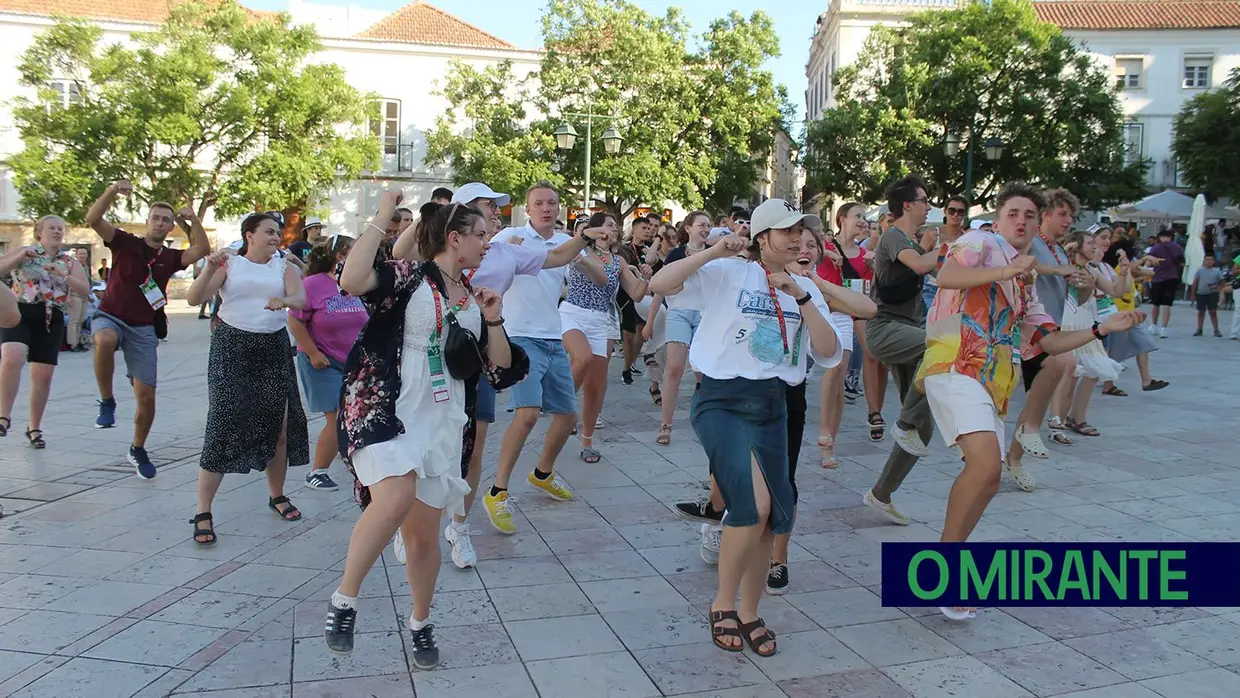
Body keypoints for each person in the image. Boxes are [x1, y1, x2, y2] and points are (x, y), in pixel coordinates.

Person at [917, 182, 1144, 621]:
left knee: (988, 476)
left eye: (1029, 216)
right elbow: (945, 276)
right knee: (985, 465)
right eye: (1014, 213)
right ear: (1000, 217)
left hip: (992, 382)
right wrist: (1005, 272)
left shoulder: (1026, 280)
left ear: (1038, 225)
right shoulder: (979, 241)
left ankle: (946, 562)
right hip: (953, 363)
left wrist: (1102, 329)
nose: (1022, 221)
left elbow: (1050, 340)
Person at [323, 193, 522, 669]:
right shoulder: (409, 277)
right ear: (455, 239)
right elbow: (351, 280)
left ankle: (420, 621)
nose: (486, 243)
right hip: (386, 408)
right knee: (393, 496)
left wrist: (492, 318)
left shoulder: (476, 297)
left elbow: (501, 368)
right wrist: (381, 218)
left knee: (423, 538)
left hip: (443, 421)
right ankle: (344, 603)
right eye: (480, 235)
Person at [649, 198, 842, 657]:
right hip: (722, 401)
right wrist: (714, 251)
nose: (797, 239)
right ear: (761, 238)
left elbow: (829, 349)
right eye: (785, 231)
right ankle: (721, 603)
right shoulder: (728, 272)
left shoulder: (803, 285)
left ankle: (751, 611)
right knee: (752, 506)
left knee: (772, 516)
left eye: (802, 232)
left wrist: (801, 294)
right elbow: (660, 283)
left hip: (774, 405)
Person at [391, 182, 603, 567]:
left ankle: (459, 526)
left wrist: (583, 237)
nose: (495, 211)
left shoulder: (504, 252)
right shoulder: (440, 247)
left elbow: (556, 256)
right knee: (422, 444)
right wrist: (433, 212)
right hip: (429, 359)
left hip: (473, 358)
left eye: (497, 206)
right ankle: (410, 523)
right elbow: (399, 252)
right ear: (462, 214)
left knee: (472, 446)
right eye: (488, 205)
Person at [185, 213, 310, 545]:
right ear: (249, 235)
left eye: (278, 232)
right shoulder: (230, 264)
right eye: (269, 232)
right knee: (223, 423)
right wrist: (210, 267)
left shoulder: (284, 266)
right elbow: (194, 298)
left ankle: (277, 494)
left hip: (273, 346)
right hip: (232, 346)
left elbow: (301, 298)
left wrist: (283, 300)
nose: (275, 237)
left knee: (279, 425)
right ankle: (203, 510)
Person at [481, 182, 599, 535]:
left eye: (552, 203)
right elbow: (484, 259)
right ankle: (498, 490)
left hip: (552, 334)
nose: (547, 208)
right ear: (527, 209)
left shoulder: (564, 243)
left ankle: (542, 473)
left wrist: (583, 251)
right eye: (539, 203)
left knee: (567, 416)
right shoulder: (510, 237)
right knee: (528, 413)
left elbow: (599, 277)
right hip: (518, 335)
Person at [85, 181, 210, 478]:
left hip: (143, 328)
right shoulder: (124, 242)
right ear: (147, 221)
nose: (161, 223)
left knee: (147, 397)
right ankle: (107, 401)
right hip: (111, 315)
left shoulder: (170, 257)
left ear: (170, 228)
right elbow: (93, 220)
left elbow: (203, 249)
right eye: (156, 217)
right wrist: (112, 191)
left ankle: (137, 448)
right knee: (104, 339)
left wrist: (193, 219)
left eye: (166, 220)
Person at [861, 175, 940, 525]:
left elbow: (936, 271)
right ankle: (904, 421)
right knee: (936, 347)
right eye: (924, 200)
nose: (929, 206)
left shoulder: (911, 240)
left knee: (925, 429)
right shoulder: (894, 235)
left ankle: (881, 493)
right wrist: (947, 248)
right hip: (884, 329)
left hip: (907, 331)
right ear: (907, 205)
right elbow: (924, 266)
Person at [1003, 188, 1085, 485]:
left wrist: (1082, 280)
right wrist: (1059, 270)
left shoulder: (1060, 250)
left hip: (1045, 330)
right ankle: (1013, 444)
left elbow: (1079, 293)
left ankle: (1015, 455)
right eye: (1062, 214)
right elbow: (1024, 262)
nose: (1067, 221)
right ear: (1045, 215)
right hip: (1020, 331)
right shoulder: (1031, 241)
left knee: (1044, 387)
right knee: (1059, 364)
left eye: (1071, 216)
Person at [560, 211, 647, 462]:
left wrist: (645, 276)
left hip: (602, 320)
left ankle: (587, 441)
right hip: (573, 313)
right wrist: (586, 255)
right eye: (608, 225)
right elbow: (598, 278)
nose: (614, 229)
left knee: (596, 387)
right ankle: (563, 408)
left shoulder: (618, 260)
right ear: (595, 230)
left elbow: (637, 294)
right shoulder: (579, 252)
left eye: (615, 226)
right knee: (582, 358)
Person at [0, 216, 90, 446]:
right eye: (52, 227)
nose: (57, 231)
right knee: (12, 358)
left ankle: (34, 428)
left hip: (52, 318)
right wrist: (20, 256)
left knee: (43, 376)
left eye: (61, 228)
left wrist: (63, 275)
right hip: (20, 312)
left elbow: (85, 289)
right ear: (40, 232)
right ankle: (3, 417)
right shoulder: (25, 251)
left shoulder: (69, 261)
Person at [288, 236, 368, 491]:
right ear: (340, 255)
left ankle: (353, 461)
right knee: (337, 416)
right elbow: (295, 320)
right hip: (322, 360)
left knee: (354, 414)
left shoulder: (353, 283)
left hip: (352, 362)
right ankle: (317, 472)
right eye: (354, 252)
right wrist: (312, 353)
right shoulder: (313, 284)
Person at [644, 210, 713, 447]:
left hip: (705, 315)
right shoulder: (675, 254)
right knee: (674, 368)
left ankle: (711, 420)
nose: (705, 228)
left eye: (708, 225)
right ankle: (666, 424)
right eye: (701, 224)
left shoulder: (714, 253)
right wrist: (650, 322)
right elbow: (659, 288)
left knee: (703, 371)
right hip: (679, 314)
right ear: (689, 228)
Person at [1049, 229, 1125, 438]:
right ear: (1077, 246)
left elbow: (1117, 291)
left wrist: (1125, 271)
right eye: (1090, 242)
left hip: (1084, 321)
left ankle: (1067, 420)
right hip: (1068, 321)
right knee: (1068, 374)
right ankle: (1057, 422)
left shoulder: (1094, 270)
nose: (1095, 247)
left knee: (1084, 374)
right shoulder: (1067, 267)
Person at [1097, 233, 1168, 395]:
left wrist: (1152, 264)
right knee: (1114, 350)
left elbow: (1148, 273)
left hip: (1129, 314)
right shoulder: (1115, 268)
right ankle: (1108, 384)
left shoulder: (1121, 269)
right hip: (1117, 314)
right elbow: (1134, 269)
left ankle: (1146, 380)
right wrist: (1143, 259)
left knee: (1143, 344)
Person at [1146, 228, 1184, 338]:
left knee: (1155, 303)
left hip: (1157, 278)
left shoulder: (1156, 248)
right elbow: (1182, 262)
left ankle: (1154, 325)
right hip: (1172, 277)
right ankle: (1164, 328)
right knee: (1167, 304)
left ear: (1160, 237)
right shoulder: (1178, 248)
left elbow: (1148, 262)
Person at [64, 247, 92, 351]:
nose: (82, 256)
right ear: (77, 255)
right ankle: (72, 344)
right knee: (74, 321)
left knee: (80, 321)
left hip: (84, 296)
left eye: (84, 254)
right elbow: (68, 281)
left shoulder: (86, 267)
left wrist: (89, 296)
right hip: (75, 295)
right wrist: (68, 296)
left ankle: (78, 342)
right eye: (80, 254)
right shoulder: (73, 266)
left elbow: (86, 283)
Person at [1190, 254, 1223, 337]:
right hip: (1201, 293)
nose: (1208, 261)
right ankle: (1199, 329)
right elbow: (1195, 283)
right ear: (1204, 261)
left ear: (1213, 261)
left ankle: (1216, 330)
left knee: (1213, 312)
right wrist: (1193, 294)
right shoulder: (1200, 271)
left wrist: (1218, 289)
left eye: (1210, 259)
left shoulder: (1217, 271)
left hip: (1213, 293)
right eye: (1207, 259)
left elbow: (1222, 282)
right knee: (1201, 312)